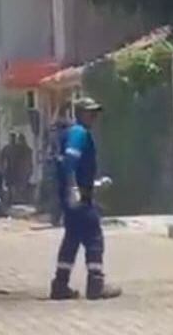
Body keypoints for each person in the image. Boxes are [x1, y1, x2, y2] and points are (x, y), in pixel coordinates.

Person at [50, 97, 121, 301]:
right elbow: (71, 162)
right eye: (90, 113)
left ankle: (60, 284)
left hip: (74, 194)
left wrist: (95, 184)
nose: (94, 117)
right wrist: (74, 189)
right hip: (78, 197)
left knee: (72, 238)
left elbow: (75, 167)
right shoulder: (79, 133)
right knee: (94, 237)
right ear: (80, 113)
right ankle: (95, 284)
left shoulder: (73, 133)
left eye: (95, 113)